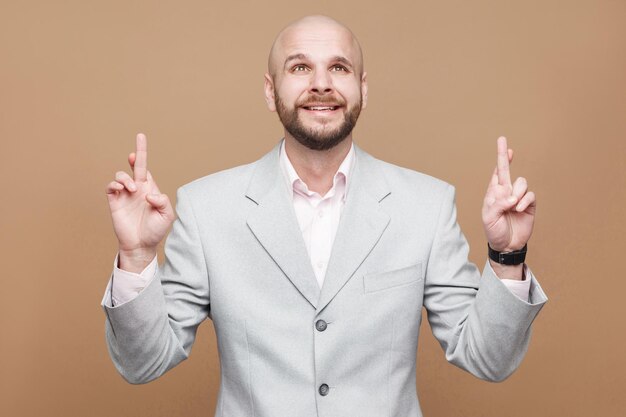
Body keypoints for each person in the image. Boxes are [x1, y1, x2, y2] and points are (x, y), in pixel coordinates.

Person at [102, 15, 547, 417]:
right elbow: (144, 364)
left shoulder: (426, 206)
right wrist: (138, 256)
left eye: (339, 67)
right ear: (269, 89)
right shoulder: (207, 208)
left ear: (363, 88)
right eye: (299, 68)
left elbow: (488, 359)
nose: (321, 84)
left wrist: (508, 255)